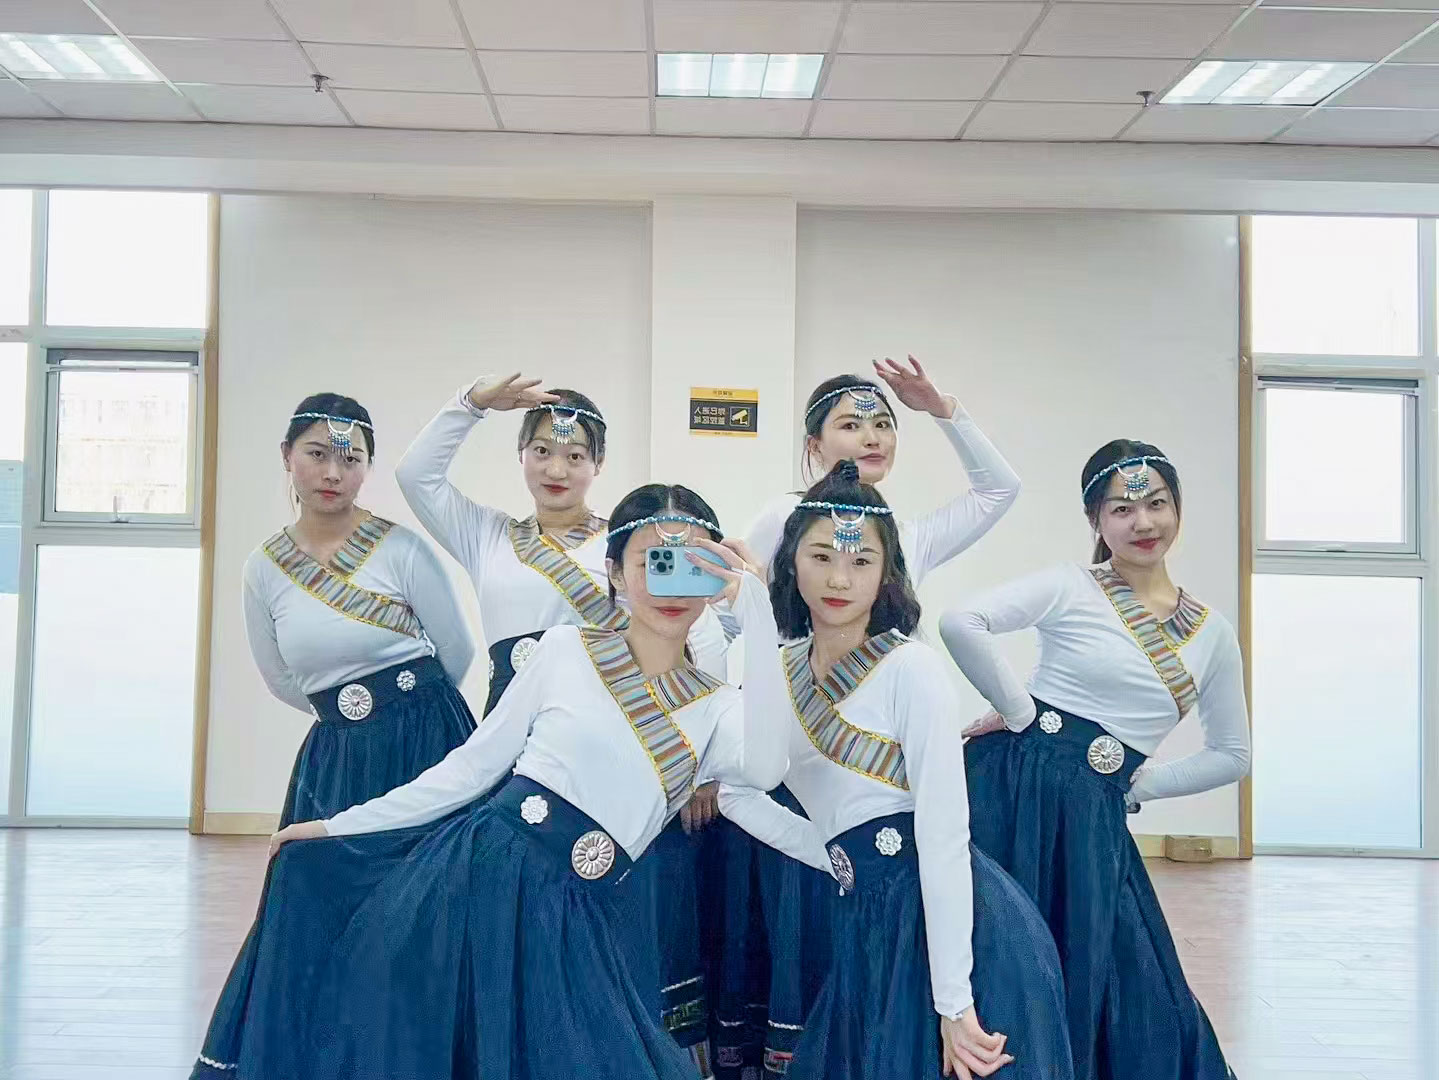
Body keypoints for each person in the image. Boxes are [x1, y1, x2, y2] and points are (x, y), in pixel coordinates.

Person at [198, 483, 790, 1080]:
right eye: (654, 562)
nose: (672, 587)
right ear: (614, 572)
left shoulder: (717, 707)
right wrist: (337, 827)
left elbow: (768, 768)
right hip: (482, 874)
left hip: (582, 913)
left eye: (693, 565)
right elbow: (470, 769)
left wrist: (758, 612)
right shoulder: (565, 650)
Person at [708, 356, 1022, 1076]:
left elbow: (942, 835)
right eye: (850, 424)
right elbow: (734, 633)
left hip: (925, 873)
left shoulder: (911, 652)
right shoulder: (783, 531)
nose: (839, 578)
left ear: (887, 571)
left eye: (883, 423)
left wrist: (943, 409)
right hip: (832, 828)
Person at [939, 440, 1249, 1080]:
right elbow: (960, 621)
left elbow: (1233, 754)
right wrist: (1020, 711)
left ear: (1177, 508)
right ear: (1095, 520)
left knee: (1129, 984)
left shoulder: (1213, 634)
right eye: (1121, 509)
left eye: (1156, 504)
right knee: (991, 956)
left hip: (1092, 817)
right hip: (1007, 790)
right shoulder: (1070, 584)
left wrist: (1138, 786)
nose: (1143, 522)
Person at [192, 393, 477, 1078]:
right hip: (337, 754)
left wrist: (403, 711)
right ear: (287, 457)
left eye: (351, 460)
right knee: (311, 895)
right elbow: (279, 677)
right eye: (317, 454)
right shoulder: (264, 567)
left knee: (424, 903)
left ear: (367, 468)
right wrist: (352, 713)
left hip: (426, 742)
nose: (332, 473)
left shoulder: (401, 547)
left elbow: (458, 652)